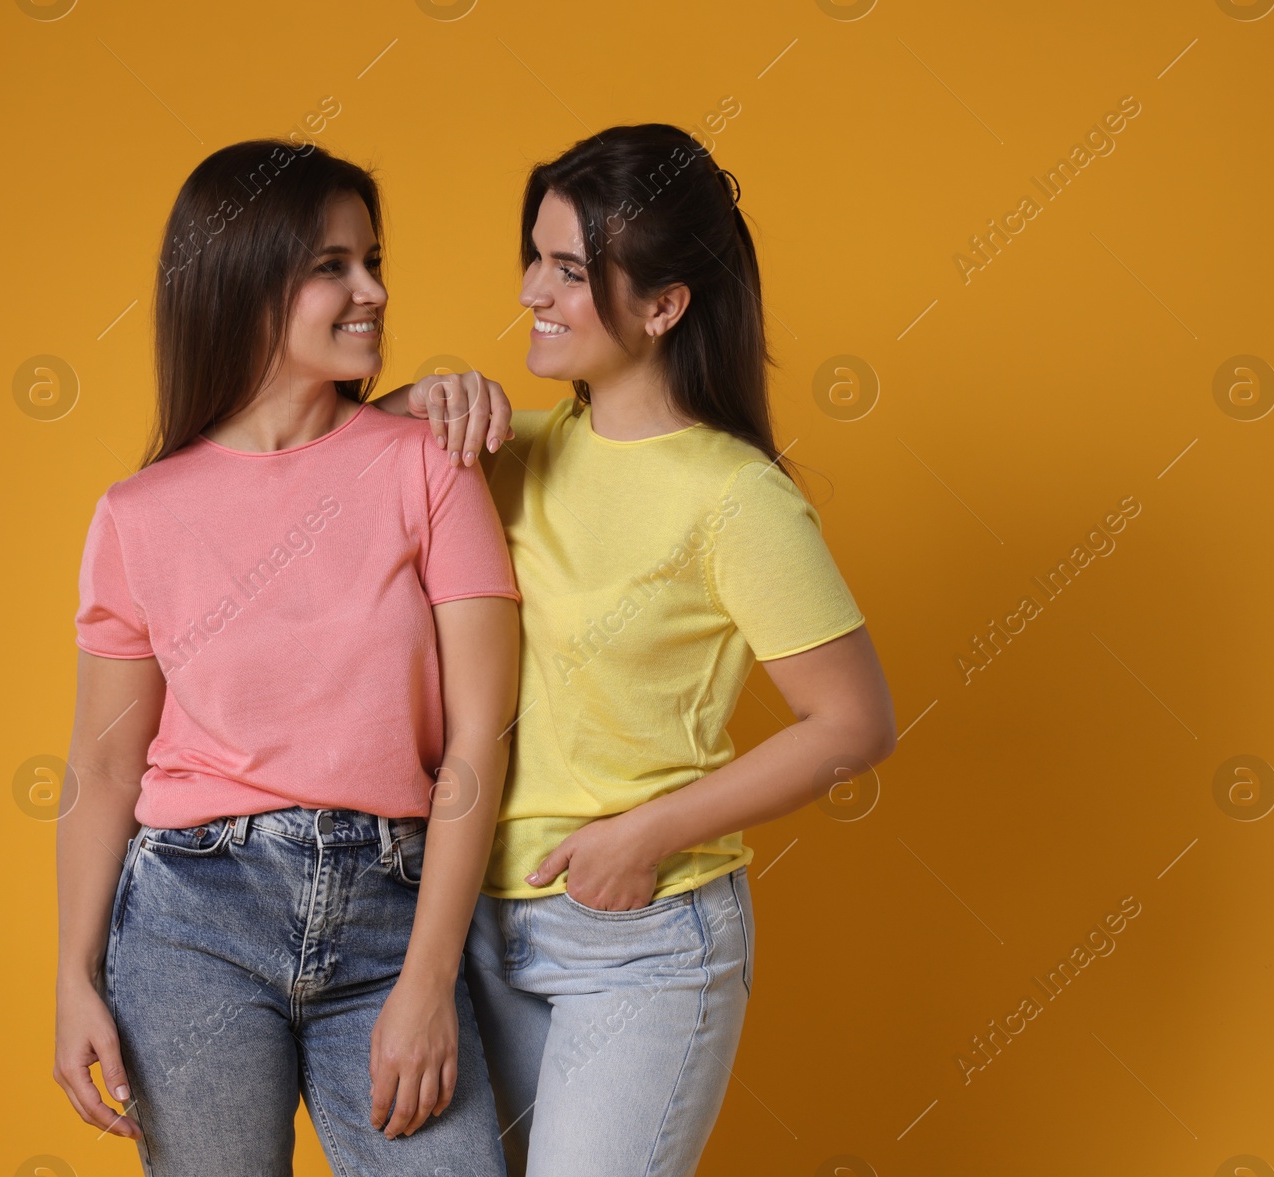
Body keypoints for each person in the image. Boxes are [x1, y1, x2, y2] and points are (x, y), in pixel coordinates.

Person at [377, 123, 899, 1177]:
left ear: (663, 307)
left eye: (569, 269)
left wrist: (648, 832)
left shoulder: (733, 499)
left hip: (641, 938)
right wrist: (407, 405)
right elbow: (311, 474)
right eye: (534, 255)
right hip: (469, 928)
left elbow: (853, 723)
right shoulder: (503, 451)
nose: (531, 289)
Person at [53, 138, 520, 1176]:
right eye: (333, 266)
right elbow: (103, 764)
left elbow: (481, 735)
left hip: (394, 913)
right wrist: (74, 977)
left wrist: (429, 977)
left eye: (374, 260)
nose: (375, 291)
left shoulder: (429, 466)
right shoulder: (138, 516)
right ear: (242, 283)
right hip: (189, 921)